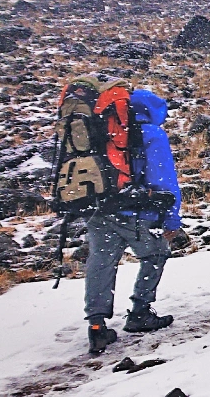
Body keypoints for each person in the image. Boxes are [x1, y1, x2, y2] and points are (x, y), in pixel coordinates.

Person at [84, 88, 182, 355]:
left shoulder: (102, 130)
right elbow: (164, 180)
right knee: (156, 253)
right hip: (133, 211)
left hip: (98, 209)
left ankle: (96, 325)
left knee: (101, 262)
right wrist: (172, 218)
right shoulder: (151, 134)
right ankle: (140, 312)